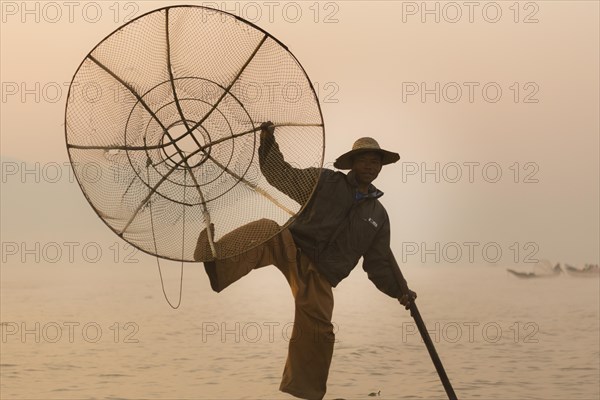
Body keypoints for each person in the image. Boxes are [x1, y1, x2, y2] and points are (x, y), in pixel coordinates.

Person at [194, 122, 416, 400]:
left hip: (321, 275)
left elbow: (379, 264)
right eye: (364, 160)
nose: (370, 166)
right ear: (352, 164)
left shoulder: (378, 216)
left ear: (381, 167)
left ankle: (305, 392)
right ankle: (217, 264)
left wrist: (401, 292)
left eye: (375, 162)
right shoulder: (325, 181)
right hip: (292, 246)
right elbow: (280, 175)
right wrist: (268, 142)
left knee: (320, 332)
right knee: (265, 229)